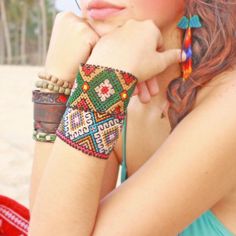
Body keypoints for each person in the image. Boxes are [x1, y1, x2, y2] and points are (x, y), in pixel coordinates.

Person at [1, 0, 236, 235]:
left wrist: (100, 84)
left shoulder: (228, 106)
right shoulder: (121, 95)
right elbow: (50, 219)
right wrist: (55, 81)